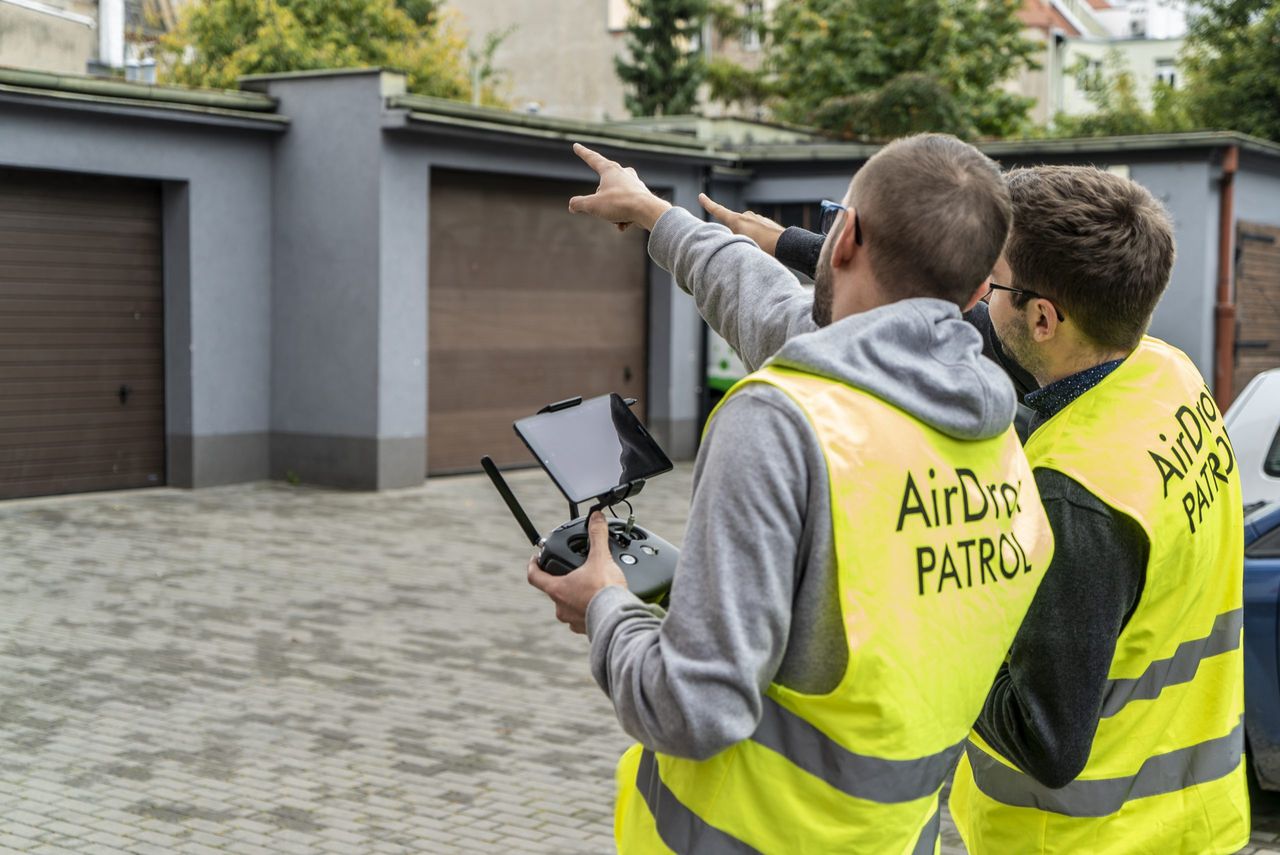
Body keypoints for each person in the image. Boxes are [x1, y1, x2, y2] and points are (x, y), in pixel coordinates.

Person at [526, 135, 1055, 854]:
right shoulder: (999, 438)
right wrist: (655, 212)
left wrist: (606, 609)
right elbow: (774, 305)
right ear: (970, 295)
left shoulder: (780, 421)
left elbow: (695, 705)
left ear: (845, 236)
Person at [699, 165, 1250, 853]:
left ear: (1043, 318)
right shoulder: (1164, 370)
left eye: (993, 281)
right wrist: (791, 245)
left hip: (1084, 837)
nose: (978, 293)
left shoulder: (1078, 497)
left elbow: (1046, 739)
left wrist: (935, 624)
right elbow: (942, 303)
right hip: (1196, 814)